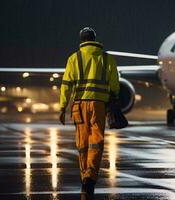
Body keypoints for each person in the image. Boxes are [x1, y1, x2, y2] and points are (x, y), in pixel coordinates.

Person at [59, 27, 120, 200]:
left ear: (81, 40)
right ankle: (90, 178)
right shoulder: (107, 58)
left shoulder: (74, 58)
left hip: (78, 106)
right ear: (95, 38)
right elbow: (115, 83)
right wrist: (113, 99)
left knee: (82, 144)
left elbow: (66, 85)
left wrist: (62, 107)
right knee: (96, 143)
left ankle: (85, 177)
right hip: (99, 106)